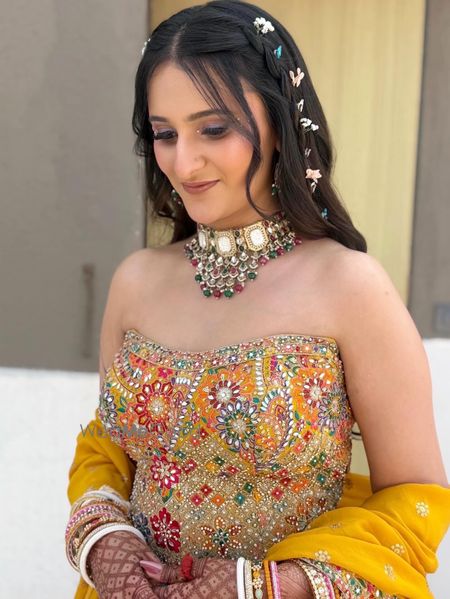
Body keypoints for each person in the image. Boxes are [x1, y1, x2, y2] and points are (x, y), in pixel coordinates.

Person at [65, 1, 450, 597]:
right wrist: (103, 540)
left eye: (213, 129)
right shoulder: (137, 282)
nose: (183, 161)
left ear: (280, 123)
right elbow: (109, 447)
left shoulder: (351, 288)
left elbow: (413, 501)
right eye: (165, 134)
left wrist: (268, 585)